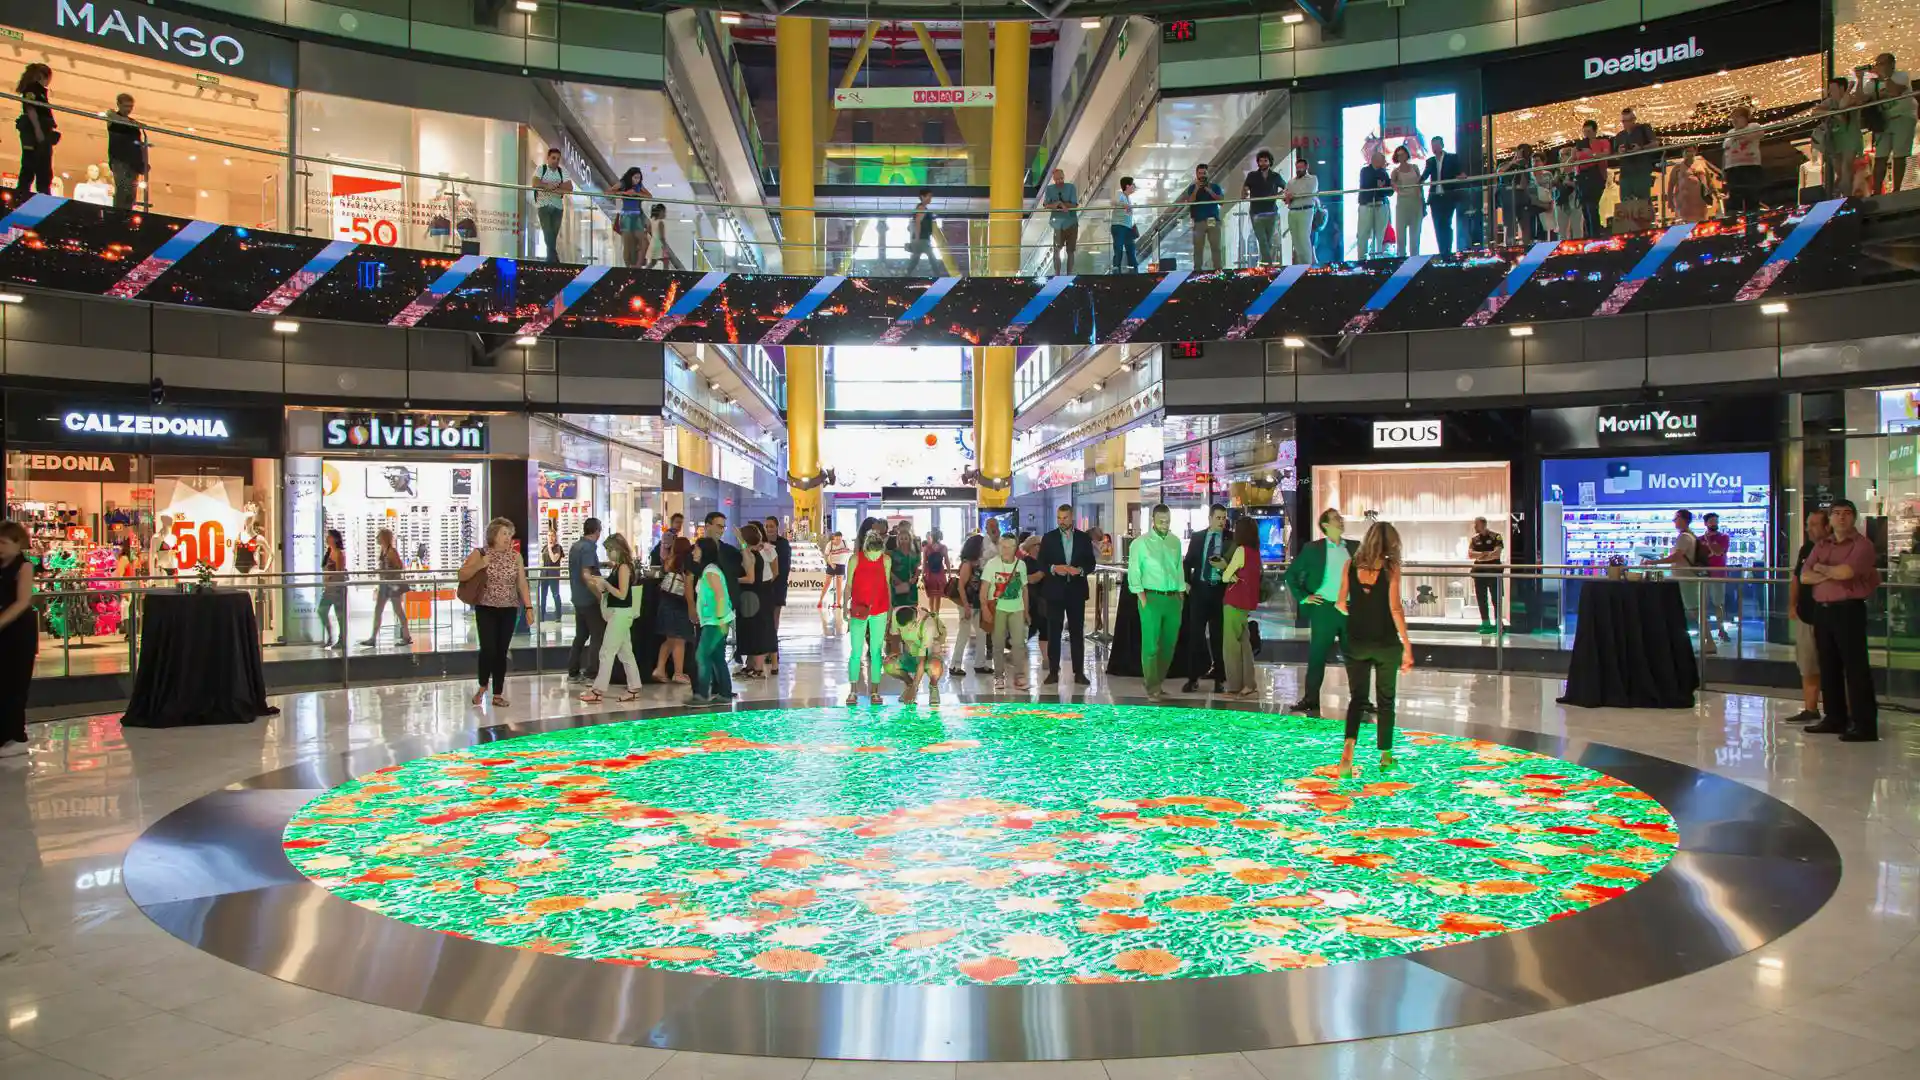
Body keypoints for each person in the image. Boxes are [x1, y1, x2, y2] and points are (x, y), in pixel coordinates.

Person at [1335, 521, 1413, 775]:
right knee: (1386, 699)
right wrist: (1407, 643)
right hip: (1386, 643)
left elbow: (1340, 603)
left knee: (1357, 698)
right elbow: (1395, 609)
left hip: (1356, 641)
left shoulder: (1350, 566)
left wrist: (1358, 612)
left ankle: (1347, 757)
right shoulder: (1391, 569)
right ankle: (1386, 757)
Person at [1801, 499, 1880, 742]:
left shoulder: (1862, 545)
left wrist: (1822, 570)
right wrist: (1831, 572)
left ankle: (1864, 724)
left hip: (1848, 611)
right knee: (1829, 666)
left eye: (1846, 513)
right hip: (1823, 611)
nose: (1841, 518)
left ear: (1854, 518)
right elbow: (1804, 576)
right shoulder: (1822, 544)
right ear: (1831, 519)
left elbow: (1846, 572)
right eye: (1836, 513)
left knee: (1855, 668)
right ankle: (1835, 718)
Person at [1285, 508, 1359, 716]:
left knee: (1355, 656)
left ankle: (1361, 699)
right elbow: (1291, 575)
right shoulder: (1313, 549)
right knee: (1317, 656)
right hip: (1324, 608)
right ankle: (1310, 699)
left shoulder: (1354, 548)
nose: (1341, 521)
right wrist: (1304, 596)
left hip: (1349, 609)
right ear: (1325, 525)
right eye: (1336, 519)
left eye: (1340, 517)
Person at [459, 517, 533, 708]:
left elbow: (522, 583)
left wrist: (529, 607)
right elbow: (462, 574)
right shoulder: (481, 553)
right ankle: (483, 685)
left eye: (510, 534)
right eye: (504, 533)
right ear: (494, 535)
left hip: (509, 609)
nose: (508, 537)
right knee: (488, 648)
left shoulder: (516, 557)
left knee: (501, 651)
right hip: (486, 608)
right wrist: (480, 564)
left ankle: (498, 693)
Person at [1129, 504, 1187, 701]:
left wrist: (1181, 593)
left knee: (1169, 644)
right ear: (1152, 520)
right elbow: (1134, 570)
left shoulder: (1175, 542)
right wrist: (1141, 596)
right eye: (1161, 520)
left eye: (1168, 520)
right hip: (1151, 597)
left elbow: (1179, 568)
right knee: (1151, 645)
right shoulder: (1141, 543)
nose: (1165, 524)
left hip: (1173, 597)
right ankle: (1151, 686)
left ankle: (1158, 682)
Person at [579, 533, 643, 704]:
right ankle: (634, 687)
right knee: (625, 653)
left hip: (620, 613)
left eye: (609, 550)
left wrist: (606, 585)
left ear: (618, 549)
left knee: (606, 652)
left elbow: (622, 594)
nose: (607, 553)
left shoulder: (623, 568)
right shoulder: (619, 566)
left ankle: (598, 690)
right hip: (619, 613)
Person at [1038, 504, 1095, 686]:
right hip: (1055, 591)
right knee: (1053, 632)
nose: (1062, 521)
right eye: (1059, 518)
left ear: (1072, 518)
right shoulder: (1049, 538)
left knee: (1077, 632)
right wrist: (1055, 568)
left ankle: (1079, 673)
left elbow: (1091, 563)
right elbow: (1041, 563)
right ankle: (1053, 672)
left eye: (1065, 518)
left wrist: (1080, 570)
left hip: (1076, 591)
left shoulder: (1083, 538)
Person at [1642, 509, 1710, 654]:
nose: (1674, 521)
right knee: (1694, 611)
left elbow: (1676, 557)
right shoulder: (1688, 536)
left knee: (1695, 612)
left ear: (1683, 519)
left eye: (1676, 518)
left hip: (1686, 578)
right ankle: (1705, 642)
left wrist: (1654, 562)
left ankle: (1708, 643)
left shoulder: (1684, 537)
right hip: (1686, 578)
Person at [1181, 504, 1231, 694]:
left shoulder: (1230, 538)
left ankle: (1220, 679)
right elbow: (1188, 562)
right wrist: (1186, 583)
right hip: (1199, 591)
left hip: (1220, 591)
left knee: (1218, 636)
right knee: (1195, 636)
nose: (1221, 521)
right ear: (1210, 518)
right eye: (1218, 518)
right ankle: (1193, 677)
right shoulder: (1198, 537)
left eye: (1224, 518)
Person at [1785, 509, 1829, 724]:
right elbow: (1797, 579)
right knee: (1807, 663)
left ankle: (1842, 710)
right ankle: (1810, 708)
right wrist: (1792, 604)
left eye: (1813, 524)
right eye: (1808, 524)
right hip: (1806, 613)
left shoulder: (1833, 549)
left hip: (1829, 614)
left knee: (1832, 663)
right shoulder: (1806, 549)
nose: (1808, 529)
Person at [0, 520, 37, 758]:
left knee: (14, 682)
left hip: (17, 632)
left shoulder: (24, 567)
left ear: (18, 544)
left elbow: (22, 601)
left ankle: (15, 735)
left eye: (4, 543)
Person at [686, 536, 735, 706]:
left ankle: (701, 695)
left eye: (697, 549)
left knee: (702, 655)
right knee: (716, 657)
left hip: (716, 622)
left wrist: (721, 618)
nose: (694, 552)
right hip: (715, 621)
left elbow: (720, 595)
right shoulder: (708, 570)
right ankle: (725, 693)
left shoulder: (711, 571)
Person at [845, 526, 892, 704]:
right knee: (856, 651)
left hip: (879, 608)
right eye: (873, 553)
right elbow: (849, 584)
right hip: (859, 608)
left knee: (876, 651)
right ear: (866, 549)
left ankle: (875, 691)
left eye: (878, 553)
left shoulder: (886, 560)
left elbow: (886, 585)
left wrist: (889, 608)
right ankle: (853, 690)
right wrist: (844, 606)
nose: (875, 557)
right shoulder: (855, 559)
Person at [981, 532, 1032, 691]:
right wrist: (984, 609)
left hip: (1016, 609)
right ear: (998, 546)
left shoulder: (1021, 565)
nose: (1006, 550)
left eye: (1009, 547)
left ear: (1015, 547)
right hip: (998, 609)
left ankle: (1019, 676)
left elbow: (1024, 590)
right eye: (1003, 546)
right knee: (997, 644)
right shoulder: (992, 564)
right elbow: (984, 589)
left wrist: (1026, 611)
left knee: (1018, 644)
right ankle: (998, 676)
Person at [1221, 515, 1262, 698]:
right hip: (1246, 604)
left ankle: (1234, 686)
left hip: (1234, 601)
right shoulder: (1255, 552)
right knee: (1244, 644)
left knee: (1231, 646)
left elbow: (1225, 576)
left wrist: (1226, 570)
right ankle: (1249, 684)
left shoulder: (1240, 551)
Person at [1868, 52, 1915, 195]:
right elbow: (1859, 99)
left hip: (1902, 118)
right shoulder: (1873, 83)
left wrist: (1885, 77)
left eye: (1882, 64)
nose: (1879, 67)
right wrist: (1859, 80)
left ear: (1892, 64)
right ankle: (1876, 191)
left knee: (1899, 155)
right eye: (1877, 64)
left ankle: (1897, 190)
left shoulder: (1902, 76)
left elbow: (1895, 92)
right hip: (1884, 122)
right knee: (1880, 156)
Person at [652, 536, 696, 684]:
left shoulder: (668, 561)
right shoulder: (684, 562)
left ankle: (659, 668)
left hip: (665, 602)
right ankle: (678, 673)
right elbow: (688, 583)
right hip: (679, 604)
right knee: (679, 639)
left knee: (670, 639)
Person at [566, 517, 605, 682]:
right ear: (596, 531)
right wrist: (600, 596)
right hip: (589, 599)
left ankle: (573, 671)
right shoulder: (588, 549)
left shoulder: (576, 546)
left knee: (581, 635)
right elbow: (586, 574)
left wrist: (603, 564)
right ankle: (591, 673)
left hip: (577, 597)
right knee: (598, 635)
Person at [361, 527, 414, 647]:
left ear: (384, 537)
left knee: (398, 611)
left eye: (379, 536)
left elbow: (399, 567)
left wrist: (386, 571)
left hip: (392, 585)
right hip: (385, 584)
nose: (377, 538)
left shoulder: (391, 551)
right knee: (378, 610)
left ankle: (406, 636)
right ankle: (373, 637)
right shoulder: (383, 550)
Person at [884, 604, 946, 705]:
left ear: (914, 622)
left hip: (928, 657)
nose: (905, 630)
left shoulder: (928, 625)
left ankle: (933, 687)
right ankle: (909, 685)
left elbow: (922, 661)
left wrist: (915, 687)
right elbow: (895, 635)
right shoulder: (896, 613)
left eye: (907, 628)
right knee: (889, 665)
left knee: (935, 666)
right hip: (910, 654)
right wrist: (894, 651)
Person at [1816, 77, 1867, 200]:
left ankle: (1848, 198)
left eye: (1832, 89)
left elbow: (1844, 105)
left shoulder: (1852, 97)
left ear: (1841, 88)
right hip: (1836, 138)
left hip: (1851, 135)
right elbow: (1815, 111)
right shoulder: (1829, 102)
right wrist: (1832, 113)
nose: (1830, 92)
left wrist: (1850, 87)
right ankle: (1845, 193)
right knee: (1839, 171)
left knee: (1846, 167)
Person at [1722, 105, 1766, 237]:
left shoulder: (1754, 127)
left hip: (1750, 166)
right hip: (1733, 168)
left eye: (1738, 117)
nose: (1734, 121)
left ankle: (1752, 228)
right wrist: (1724, 169)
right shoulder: (1729, 133)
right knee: (1735, 198)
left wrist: (1739, 136)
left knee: (1751, 197)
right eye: (1732, 118)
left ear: (1746, 118)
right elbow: (1726, 150)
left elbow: (1755, 136)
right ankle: (1734, 230)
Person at [949, 533, 989, 677]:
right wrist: (966, 605)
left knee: (981, 633)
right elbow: (961, 586)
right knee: (964, 634)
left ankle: (980, 663)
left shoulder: (976, 563)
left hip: (975, 604)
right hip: (967, 604)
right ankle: (955, 665)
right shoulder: (967, 564)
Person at [12, 64, 55, 197]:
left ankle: (40, 193)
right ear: (43, 76)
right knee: (33, 164)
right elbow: (31, 109)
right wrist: (38, 130)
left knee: (41, 165)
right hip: (34, 131)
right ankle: (26, 194)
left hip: (41, 130)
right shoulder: (33, 89)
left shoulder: (41, 91)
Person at [1421, 135, 1465, 255]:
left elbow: (1459, 172)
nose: (1434, 148)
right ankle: (1442, 251)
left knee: (1446, 223)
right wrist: (1418, 181)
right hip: (1435, 198)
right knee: (1437, 225)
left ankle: (1447, 251)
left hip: (1448, 196)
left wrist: (1461, 176)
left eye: (1436, 145)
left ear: (1442, 145)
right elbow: (1424, 176)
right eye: (1432, 146)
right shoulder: (1430, 161)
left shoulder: (1452, 158)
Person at [1179, 164, 1225, 272]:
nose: (1202, 176)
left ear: (1208, 174)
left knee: (1215, 245)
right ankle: (1197, 269)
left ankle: (1218, 268)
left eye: (1204, 173)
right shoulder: (1192, 188)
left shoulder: (1215, 187)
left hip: (1212, 219)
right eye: (1200, 173)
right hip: (1198, 220)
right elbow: (1190, 201)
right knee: (1198, 247)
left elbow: (1221, 201)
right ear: (1196, 174)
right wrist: (1196, 188)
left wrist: (1209, 190)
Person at [106, 93, 146, 211]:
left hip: (132, 162)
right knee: (123, 190)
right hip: (120, 159)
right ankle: (119, 216)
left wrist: (142, 161)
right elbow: (111, 115)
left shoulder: (132, 124)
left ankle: (126, 215)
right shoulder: (114, 118)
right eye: (126, 106)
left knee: (130, 194)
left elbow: (139, 143)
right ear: (119, 104)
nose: (128, 109)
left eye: (131, 106)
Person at [1572, 120, 1612, 238]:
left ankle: (1595, 234)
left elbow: (1606, 154)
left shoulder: (1602, 142)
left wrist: (1592, 154)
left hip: (1596, 175)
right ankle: (1589, 234)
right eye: (1584, 132)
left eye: (1589, 131)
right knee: (1584, 207)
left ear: (1595, 131)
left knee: (1592, 206)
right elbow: (1572, 160)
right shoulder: (1580, 146)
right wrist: (1572, 155)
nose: (1586, 134)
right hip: (1582, 177)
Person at [1698, 512, 1734, 643]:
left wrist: (1708, 541)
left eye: (1716, 521)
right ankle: (1705, 632)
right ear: (1706, 523)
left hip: (1718, 574)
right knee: (1703, 604)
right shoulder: (1699, 539)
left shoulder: (1723, 537)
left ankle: (1721, 629)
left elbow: (1719, 552)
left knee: (1718, 603)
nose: (1714, 524)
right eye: (1712, 521)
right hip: (1704, 575)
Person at [1614, 107, 1658, 213]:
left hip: (1641, 171)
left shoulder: (1644, 128)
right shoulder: (1620, 136)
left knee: (1644, 201)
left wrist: (1641, 148)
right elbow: (1615, 156)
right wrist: (1620, 152)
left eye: (1629, 121)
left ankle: (1647, 225)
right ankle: (1630, 227)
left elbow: (1655, 144)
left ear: (1634, 119)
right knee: (1626, 203)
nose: (1626, 124)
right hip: (1626, 173)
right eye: (1624, 121)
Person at [1243, 149, 1282, 265]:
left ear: (1270, 162)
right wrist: (1245, 192)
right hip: (1256, 212)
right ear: (1258, 162)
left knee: (1268, 241)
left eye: (1265, 161)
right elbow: (1245, 188)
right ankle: (1269, 265)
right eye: (1260, 161)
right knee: (1262, 240)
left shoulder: (1275, 176)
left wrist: (1278, 195)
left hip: (1271, 212)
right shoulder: (1252, 175)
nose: (1263, 163)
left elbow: (1286, 187)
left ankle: (1264, 265)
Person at [532, 147, 572, 263]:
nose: (555, 161)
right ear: (548, 158)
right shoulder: (541, 169)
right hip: (543, 205)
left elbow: (569, 187)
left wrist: (555, 187)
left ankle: (551, 259)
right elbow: (535, 183)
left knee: (553, 234)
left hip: (558, 207)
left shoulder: (562, 171)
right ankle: (553, 259)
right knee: (547, 231)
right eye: (553, 158)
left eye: (558, 159)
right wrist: (548, 186)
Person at [1665, 144, 1720, 224]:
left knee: (1701, 225)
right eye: (1687, 151)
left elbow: (1709, 182)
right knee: (1684, 227)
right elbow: (1671, 186)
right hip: (1684, 204)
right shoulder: (1677, 168)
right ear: (1683, 153)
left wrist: (1716, 194)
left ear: (1695, 152)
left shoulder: (1702, 165)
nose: (1689, 154)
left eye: (1691, 151)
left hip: (1700, 203)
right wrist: (1670, 202)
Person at [764, 516, 791, 670]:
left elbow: (784, 567)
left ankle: (773, 651)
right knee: (765, 620)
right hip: (764, 587)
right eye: (767, 526)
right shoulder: (762, 543)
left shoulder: (783, 544)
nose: (769, 529)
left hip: (777, 586)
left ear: (777, 527)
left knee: (774, 620)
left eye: (771, 526)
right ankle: (766, 649)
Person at [1468, 517, 1504, 635]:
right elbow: (1470, 554)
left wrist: (1482, 557)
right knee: (1481, 599)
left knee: (1496, 599)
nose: (1474, 527)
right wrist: (1485, 554)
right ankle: (1485, 623)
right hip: (1479, 572)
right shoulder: (1474, 539)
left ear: (1483, 525)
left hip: (1494, 572)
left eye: (1476, 525)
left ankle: (1499, 624)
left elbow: (1497, 553)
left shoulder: (1496, 536)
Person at [611, 167, 652, 268]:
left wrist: (636, 194)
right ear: (630, 177)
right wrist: (625, 193)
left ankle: (637, 264)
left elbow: (649, 196)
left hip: (637, 216)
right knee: (628, 243)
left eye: (639, 178)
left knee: (644, 241)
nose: (637, 180)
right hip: (626, 216)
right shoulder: (623, 183)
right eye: (635, 177)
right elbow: (609, 192)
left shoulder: (639, 186)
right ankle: (628, 266)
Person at [1282, 158, 1319, 266]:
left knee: (1303, 238)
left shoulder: (1312, 179)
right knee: (1296, 240)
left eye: (1301, 167)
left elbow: (1308, 192)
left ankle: (1308, 265)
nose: (1298, 169)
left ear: (1306, 167)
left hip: (1305, 210)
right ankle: (1301, 266)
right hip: (1293, 211)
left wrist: (1292, 195)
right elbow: (1286, 195)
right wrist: (1287, 197)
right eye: (1297, 167)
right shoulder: (1291, 182)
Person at [1042, 168, 1079, 275]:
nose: (1059, 181)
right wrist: (1059, 204)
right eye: (1057, 179)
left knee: (1070, 250)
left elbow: (1074, 205)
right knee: (1057, 249)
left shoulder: (1071, 187)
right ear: (1053, 179)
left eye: (1061, 178)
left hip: (1071, 222)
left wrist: (1058, 204)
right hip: (1057, 224)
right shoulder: (1050, 189)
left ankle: (1069, 274)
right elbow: (1046, 205)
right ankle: (1057, 274)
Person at [1389, 146, 1424, 256]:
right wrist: (1395, 186)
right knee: (1401, 234)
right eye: (1399, 155)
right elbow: (1393, 185)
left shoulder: (1415, 167)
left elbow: (1420, 185)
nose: (1401, 157)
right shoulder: (1395, 171)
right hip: (1403, 203)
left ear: (1407, 154)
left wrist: (1423, 202)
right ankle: (1401, 258)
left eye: (1403, 154)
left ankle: (1415, 258)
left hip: (1416, 202)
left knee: (1415, 234)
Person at [1356, 149, 1391, 258]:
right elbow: (1368, 184)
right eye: (1383, 160)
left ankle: (1376, 257)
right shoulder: (1365, 171)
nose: (1385, 163)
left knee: (1379, 234)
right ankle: (1362, 258)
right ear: (1376, 160)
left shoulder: (1384, 173)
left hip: (1381, 205)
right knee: (1363, 233)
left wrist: (1382, 187)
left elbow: (1389, 191)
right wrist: (1380, 186)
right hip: (1367, 205)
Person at [317, 528, 348, 650]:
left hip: (336, 589)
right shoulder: (329, 551)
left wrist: (330, 576)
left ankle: (341, 640)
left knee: (339, 615)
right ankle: (330, 637)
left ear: (334, 539)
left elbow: (340, 572)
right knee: (322, 611)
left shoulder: (339, 553)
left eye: (328, 536)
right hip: (328, 589)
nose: (326, 538)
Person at [889, 521, 921, 610]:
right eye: (901, 538)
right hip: (897, 584)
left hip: (911, 584)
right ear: (898, 540)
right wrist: (895, 578)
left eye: (906, 538)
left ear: (909, 539)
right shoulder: (893, 553)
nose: (903, 541)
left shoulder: (914, 554)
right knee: (897, 609)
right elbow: (888, 569)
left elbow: (918, 567)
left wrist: (914, 578)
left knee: (911, 609)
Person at [1110, 176, 1139, 272]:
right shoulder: (1120, 194)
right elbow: (1113, 202)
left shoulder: (1128, 198)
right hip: (1119, 226)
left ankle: (1134, 268)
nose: (1134, 187)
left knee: (1131, 248)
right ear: (1127, 186)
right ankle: (1116, 268)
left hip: (1127, 227)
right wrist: (1124, 205)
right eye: (1133, 185)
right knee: (1118, 247)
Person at [905, 188, 937, 275]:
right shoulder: (921, 208)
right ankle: (938, 275)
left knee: (915, 259)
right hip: (922, 239)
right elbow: (918, 223)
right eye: (929, 196)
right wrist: (917, 239)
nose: (930, 198)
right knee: (932, 258)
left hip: (922, 238)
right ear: (922, 197)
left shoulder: (922, 208)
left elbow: (913, 224)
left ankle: (907, 274)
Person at [537, 527, 565, 625]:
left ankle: (558, 616)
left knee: (555, 594)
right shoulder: (544, 547)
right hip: (544, 574)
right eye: (549, 535)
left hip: (553, 574)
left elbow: (554, 559)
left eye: (552, 536)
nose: (550, 538)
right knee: (543, 596)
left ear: (555, 537)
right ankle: (542, 616)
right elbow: (542, 561)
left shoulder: (558, 548)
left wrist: (550, 548)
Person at [921, 528, 949, 614]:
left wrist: (922, 574)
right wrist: (949, 573)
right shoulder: (943, 548)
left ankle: (932, 611)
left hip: (930, 573)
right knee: (938, 595)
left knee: (931, 595)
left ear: (931, 536)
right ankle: (937, 613)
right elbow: (947, 561)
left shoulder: (927, 548)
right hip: (940, 573)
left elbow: (924, 562)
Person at [822, 530, 850, 609]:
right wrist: (831, 564)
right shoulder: (829, 544)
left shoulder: (845, 543)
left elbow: (847, 552)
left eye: (839, 539)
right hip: (831, 565)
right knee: (827, 583)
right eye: (836, 539)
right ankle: (820, 600)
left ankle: (838, 603)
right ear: (834, 538)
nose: (838, 541)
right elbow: (826, 556)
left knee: (839, 585)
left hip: (841, 565)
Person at [644, 204, 672, 270]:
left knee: (652, 263)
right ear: (661, 212)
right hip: (659, 245)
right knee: (666, 262)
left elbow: (646, 232)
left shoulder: (651, 220)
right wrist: (665, 247)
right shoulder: (660, 222)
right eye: (664, 212)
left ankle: (643, 273)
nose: (665, 214)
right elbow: (661, 237)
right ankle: (665, 278)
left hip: (653, 244)